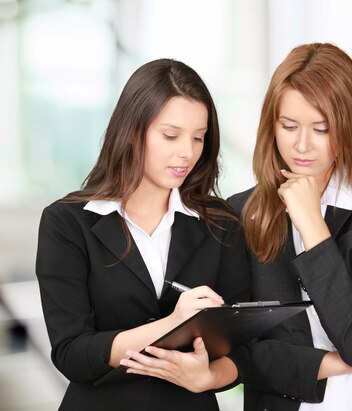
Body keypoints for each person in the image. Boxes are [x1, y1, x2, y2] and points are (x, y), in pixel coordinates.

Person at [124, 44, 352, 410]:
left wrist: (312, 224)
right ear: (272, 125)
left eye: (321, 129)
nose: (302, 145)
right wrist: (336, 355)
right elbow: (240, 350)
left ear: (348, 127)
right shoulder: (237, 214)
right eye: (289, 126)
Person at [35, 58, 250, 410]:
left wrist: (209, 377)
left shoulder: (220, 223)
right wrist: (174, 324)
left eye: (198, 138)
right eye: (171, 135)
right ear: (133, 131)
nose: (188, 152)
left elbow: (243, 345)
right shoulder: (67, 223)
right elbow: (72, 353)